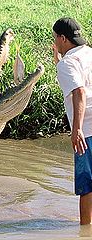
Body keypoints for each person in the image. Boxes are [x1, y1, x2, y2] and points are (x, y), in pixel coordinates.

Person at [52, 17, 92, 225]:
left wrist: (76, 130)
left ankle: (85, 230)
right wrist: (58, 61)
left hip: (87, 131)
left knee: (86, 185)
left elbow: (79, 91)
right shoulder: (88, 53)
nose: (55, 42)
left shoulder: (68, 63)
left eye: (55, 38)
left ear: (63, 38)